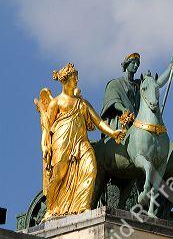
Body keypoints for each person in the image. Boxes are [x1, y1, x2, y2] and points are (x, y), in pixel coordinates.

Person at [35, 63, 125, 219]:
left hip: (81, 142)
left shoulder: (83, 103)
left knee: (91, 167)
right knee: (58, 175)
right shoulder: (56, 102)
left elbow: (99, 122)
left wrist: (113, 133)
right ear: (66, 80)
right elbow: (46, 126)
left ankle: (83, 206)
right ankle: (51, 207)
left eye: (76, 76)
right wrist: (45, 145)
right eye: (74, 77)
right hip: (61, 142)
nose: (76, 79)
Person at [100, 52, 173, 133]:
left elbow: (158, 83)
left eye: (137, 64)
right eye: (133, 63)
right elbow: (114, 101)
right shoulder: (115, 84)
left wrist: (172, 64)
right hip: (122, 122)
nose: (136, 66)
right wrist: (123, 110)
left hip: (138, 123)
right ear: (126, 64)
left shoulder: (140, 84)